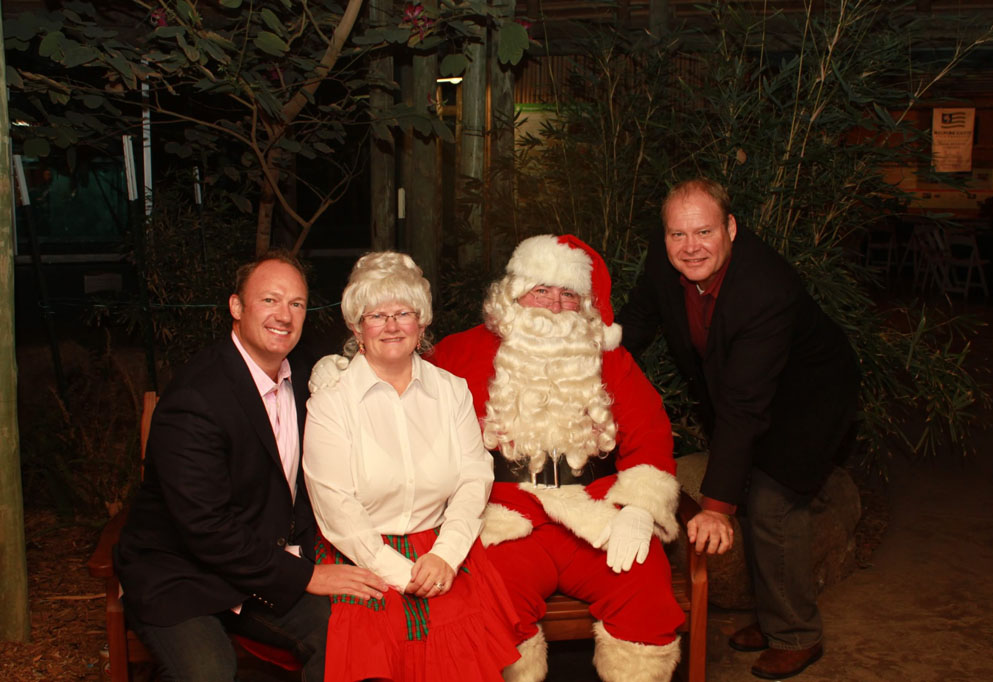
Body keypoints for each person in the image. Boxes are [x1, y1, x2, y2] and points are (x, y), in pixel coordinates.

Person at [618, 178, 859, 680]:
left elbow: (746, 406)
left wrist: (715, 507)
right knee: (750, 491)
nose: (690, 247)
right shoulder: (666, 259)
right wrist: (589, 368)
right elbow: (637, 320)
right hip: (749, 391)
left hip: (808, 397)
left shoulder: (765, 287)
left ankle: (796, 634)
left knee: (772, 501)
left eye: (704, 232)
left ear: (730, 227)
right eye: (678, 234)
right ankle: (772, 619)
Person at [115, 250, 387, 682]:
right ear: (236, 307)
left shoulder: (307, 376)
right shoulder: (196, 397)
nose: (284, 315)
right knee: (209, 675)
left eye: (296, 303)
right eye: (270, 300)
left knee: (349, 634)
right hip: (183, 574)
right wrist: (306, 574)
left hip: (261, 566)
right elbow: (205, 528)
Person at [429, 235, 686, 682]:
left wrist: (639, 508)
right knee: (489, 600)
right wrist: (348, 369)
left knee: (643, 585)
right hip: (505, 518)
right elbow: (405, 392)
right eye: (541, 289)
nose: (553, 304)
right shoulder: (459, 352)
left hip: (595, 512)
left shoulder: (610, 359)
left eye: (568, 294)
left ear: (584, 304)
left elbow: (649, 432)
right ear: (514, 293)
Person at [302, 252, 521, 681]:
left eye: (403, 313)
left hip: (440, 549)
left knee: (459, 655)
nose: (391, 326)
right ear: (356, 328)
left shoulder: (451, 391)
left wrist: (446, 556)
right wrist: (400, 574)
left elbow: (474, 478)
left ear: (421, 324)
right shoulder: (332, 401)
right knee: (374, 648)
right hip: (360, 554)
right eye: (376, 315)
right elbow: (336, 507)